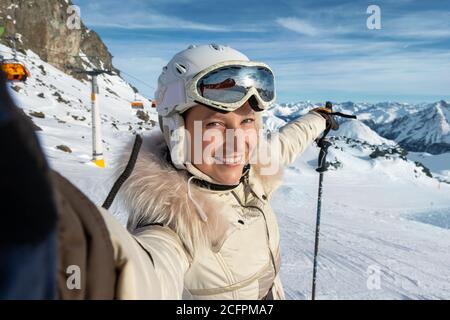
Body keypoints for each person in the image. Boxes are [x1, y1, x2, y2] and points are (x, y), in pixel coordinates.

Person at [108, 44, 338, 299]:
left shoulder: (253, 173)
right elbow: (146, 273)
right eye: (215, 124)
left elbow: (287, 142)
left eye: (247, 121)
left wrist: (318, 119)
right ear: (177, 132)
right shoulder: (169, 224)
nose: (237, 142)